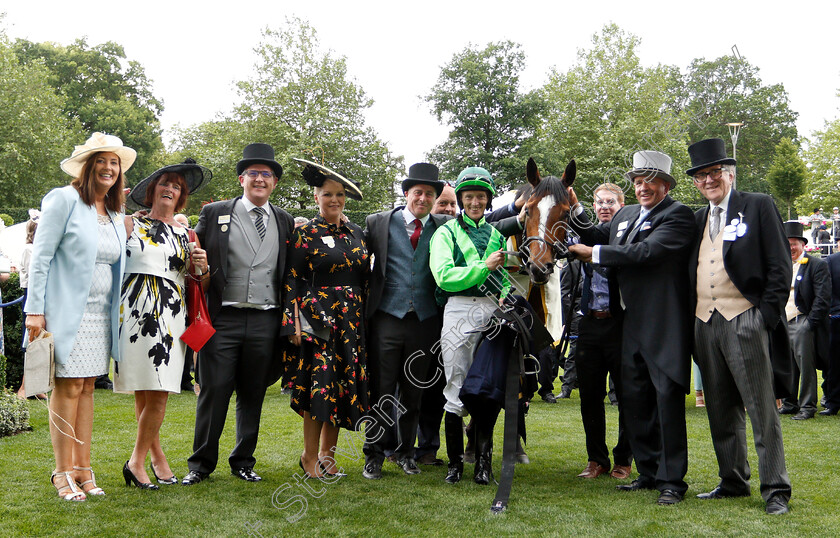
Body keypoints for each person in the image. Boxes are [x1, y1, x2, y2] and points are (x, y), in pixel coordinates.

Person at [568, 150, 695, 505]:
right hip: (630, 326)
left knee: (666, 403)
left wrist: (592, 253)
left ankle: (673, 482)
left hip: (664, 324)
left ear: (666, 185)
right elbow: (596, 233)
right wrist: (575, 208)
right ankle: (649, 472)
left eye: (650, 182)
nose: (642, 188)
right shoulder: (624, 214)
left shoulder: (678, 215)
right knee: (635, 401)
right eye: (638, 182)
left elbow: (646, 252)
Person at [686, 138, 793, 515]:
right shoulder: (697, 219)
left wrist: (763, 317)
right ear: (696, 183)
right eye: (701, 176)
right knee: (719, 408)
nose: (709, 180)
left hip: (745, 318)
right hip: (704, 322)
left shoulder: (758, 206)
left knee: (761, 408)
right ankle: (732, 480)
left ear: (728, 174)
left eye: (714, 172)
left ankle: (776, 488)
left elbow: (781, 267)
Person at [25, 132, 133, 501]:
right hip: (65, 312)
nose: (108, 167)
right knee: (68, 387)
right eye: (100, 160)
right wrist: (34, 311)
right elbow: (41, 257)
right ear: (87, 167)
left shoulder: (116, 213)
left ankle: (84, 469)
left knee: (88, 387)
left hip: (101, 315)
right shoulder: (64, 199)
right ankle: (62, 472)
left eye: (113, 162)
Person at [183, 143, 295, 485]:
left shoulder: (285, 220)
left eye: (267, 174)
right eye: (253, 173)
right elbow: (191, 254)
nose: (260, 179)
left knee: (253, 392)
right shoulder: (216, 212)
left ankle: (243, 460)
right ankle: (200, 464)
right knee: (214, 391)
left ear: (274, 182)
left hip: (265, 318)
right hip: (223, 318)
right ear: (241, 179)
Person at [114, 159, 211, 489]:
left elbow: (197, 283)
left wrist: (202, 267)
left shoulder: (188, 234)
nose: (171, 189)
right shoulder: (129, 224)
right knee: (145, 390)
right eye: (165, 183)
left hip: (171, 315)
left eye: (178, 187)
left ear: (181, 197)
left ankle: (138, 461)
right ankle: (150, 460)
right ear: (151, 190)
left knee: (160, 392)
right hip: (134, 313)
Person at [283, 158, 369, 479]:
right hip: (319, 320)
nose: (334, 200)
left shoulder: (355, 232)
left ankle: (327, 457)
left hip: (351, 320)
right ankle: (308, 456)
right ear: (316, 198)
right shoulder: (305, 233)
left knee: (341, 387)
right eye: (328, 194)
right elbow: (291, 278)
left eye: (340, 195)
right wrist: (293, 322)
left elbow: (365, 274)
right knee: (319, 387)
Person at [361, 163, 446, 479]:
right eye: (417, 192)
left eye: (429, 194)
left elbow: (485, 222)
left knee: (413, 392)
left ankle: (407, 453)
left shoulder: (444, 226)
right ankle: (374, 456)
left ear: (435, 198)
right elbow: (356, 252)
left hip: (424, 321)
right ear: (407, 193)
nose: (422, 198)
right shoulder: (379, 222)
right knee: (382, 391)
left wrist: (520, 214)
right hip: (387, 318)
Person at [429, 166, 510, 485]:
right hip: (459, 310)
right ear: (461, 199)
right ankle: (454, 464)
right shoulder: (445, 233)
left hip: (492, 312)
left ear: (488, 199)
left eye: (480, 196)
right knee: (455, 385)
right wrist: (483, 267)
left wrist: (504, 294)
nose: (475, 202)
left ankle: (483, 463)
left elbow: (503, 277)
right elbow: (444, 277)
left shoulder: (496, 235)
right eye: (469, 196)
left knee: (488, 389)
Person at [572, 183, 632, 481]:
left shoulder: (627, 232)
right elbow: (589, 235)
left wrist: (575, 209)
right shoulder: (592, 232)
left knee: (626, 394)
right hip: (590, 324)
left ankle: (624, 459)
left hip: (620, 325)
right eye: (599, 202)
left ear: (622, 204)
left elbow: (597, 240)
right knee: (590, 396)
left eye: (611, 201)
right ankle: (596, 459)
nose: (605, 206)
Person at [779, 221, 830, 421]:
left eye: (794, 243)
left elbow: (822, 298)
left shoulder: (816, 265)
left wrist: (809, 324)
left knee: (805, 366)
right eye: (787, 243)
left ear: (802, 245)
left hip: (803, 321)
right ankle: (789, 403)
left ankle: (808, 406)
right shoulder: (780, 264)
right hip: (783, 321)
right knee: (787, 364)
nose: (791, 247)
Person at [17, 216, 45, 400]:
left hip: (42, 295)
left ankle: (37, 386)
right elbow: (33, 275)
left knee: (41, 341)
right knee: (31, 340)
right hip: (32, 296)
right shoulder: (29, 249)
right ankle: (24, 387)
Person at [822, 237, 840, 416]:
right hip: (835, 317)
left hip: (835, 316)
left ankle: (833, 402)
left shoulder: (831, 260)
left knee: (834, 363)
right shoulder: (831, 261)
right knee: (834, 362)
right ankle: (833, 401)